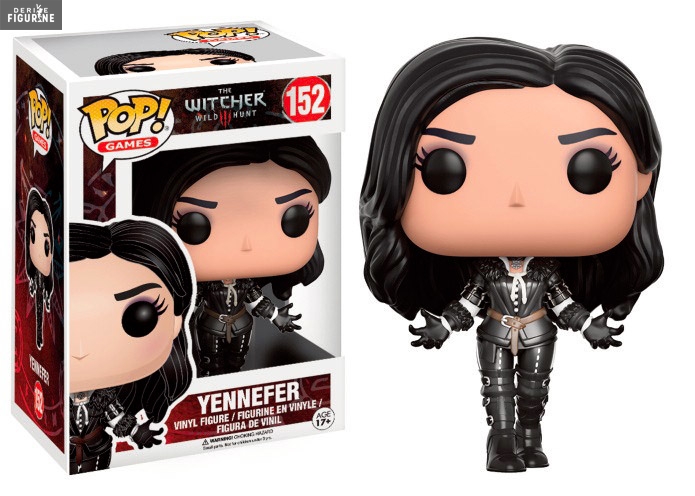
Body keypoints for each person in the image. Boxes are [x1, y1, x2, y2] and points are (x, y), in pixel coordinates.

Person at [360, 38, 663, 472]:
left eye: (589, 169)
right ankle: (502, 441)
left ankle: (531, 436)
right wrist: (443, 325)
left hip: (539, 332)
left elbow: (562, 302)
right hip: (495, 332)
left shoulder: (548, 271)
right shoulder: (486, 270)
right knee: (497, 389)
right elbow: (469, 302)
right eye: (445, 168)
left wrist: (587, 326)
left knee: (534, 389)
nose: (517, 198)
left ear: (641, 179)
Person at [133, 137, 331, 376]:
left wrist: (277, 317)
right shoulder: (205, 287)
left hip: (241, 325)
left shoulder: (246, 285)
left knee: (237, 361)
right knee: (212, 363)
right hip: (211, 326)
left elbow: (258, 302)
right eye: (194, 226)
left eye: (294, 217)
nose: (246, 244)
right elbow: (188, 305)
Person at [69, 219, 194, 473]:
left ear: (176, 320)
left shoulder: (103, 397)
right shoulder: (53, 397)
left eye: (139, 316)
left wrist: (138, 433)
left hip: (97, 450)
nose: (80, 351)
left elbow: (117, 418)